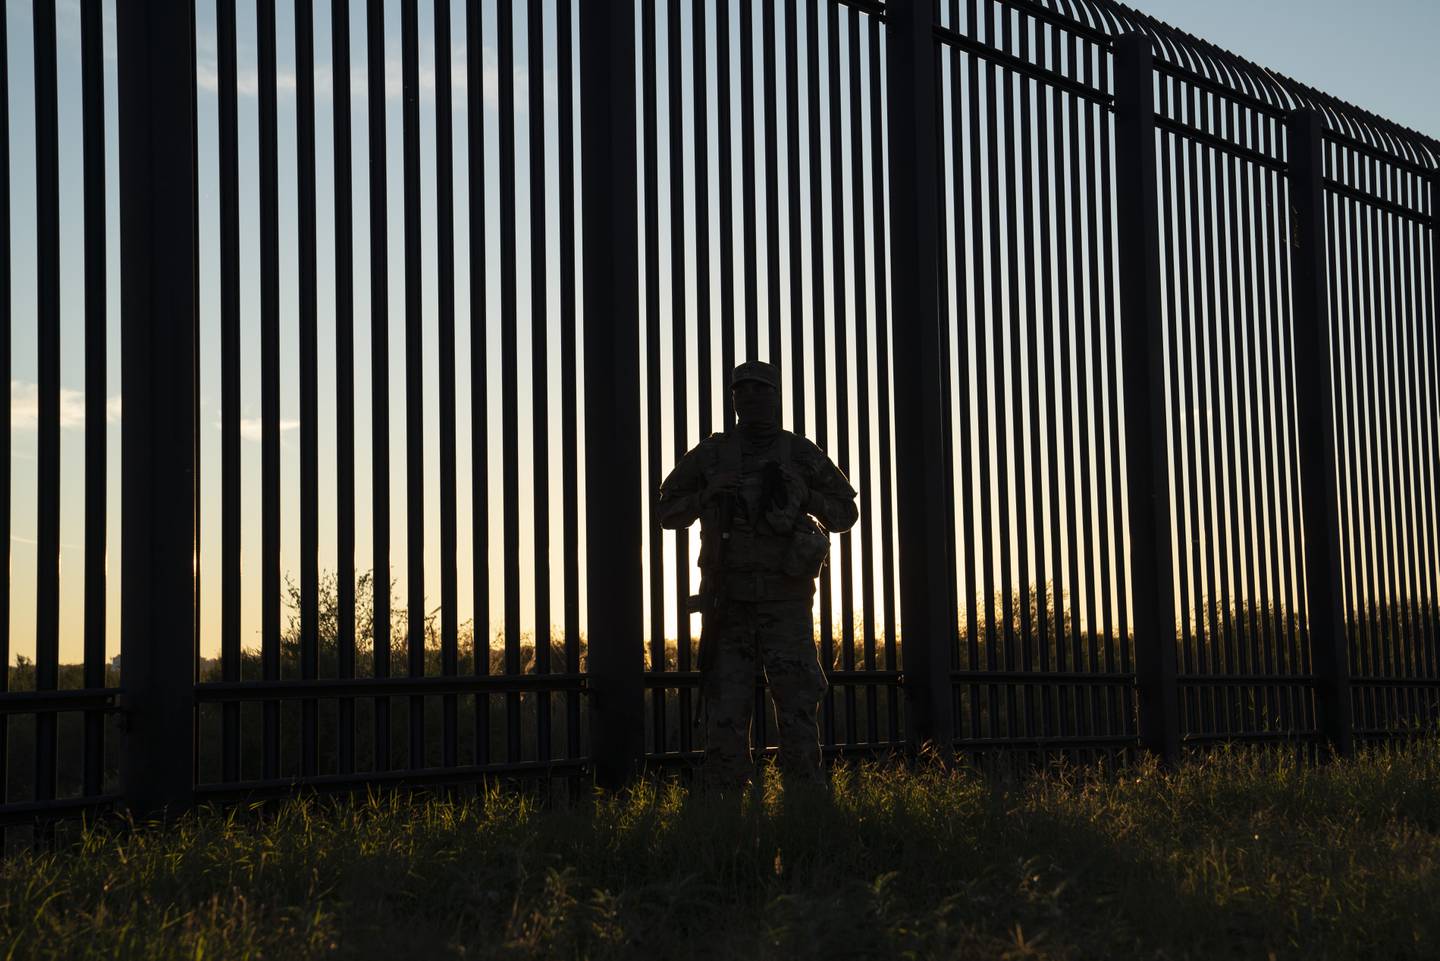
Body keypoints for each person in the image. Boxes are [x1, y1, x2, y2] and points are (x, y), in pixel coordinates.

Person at [657, 360, 858, 790]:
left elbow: (846, 512)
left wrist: (804, 493)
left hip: (786, 601)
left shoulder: (798, 453)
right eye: (742, 391)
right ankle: (728, 805)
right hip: (726, 602)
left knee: (797, 703)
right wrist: (709, 492)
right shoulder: (712, 454)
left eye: (760, 390)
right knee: (726, 708)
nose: (750, 398)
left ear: (775, 396)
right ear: (732, 399)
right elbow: (666, 512)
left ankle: (804, 799)